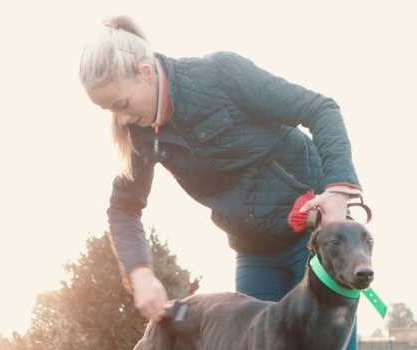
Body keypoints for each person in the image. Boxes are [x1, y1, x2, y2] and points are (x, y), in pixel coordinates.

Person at [80, 15, 362, 349]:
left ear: (145, 72)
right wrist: (139, 272)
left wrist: (338, 193)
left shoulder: (221, 74)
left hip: (317, 244)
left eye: (122, 104)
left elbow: (321, 110)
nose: (122, 118)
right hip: (255, 253)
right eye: (111, 111)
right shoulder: (142, 135)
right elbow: (124, 207)